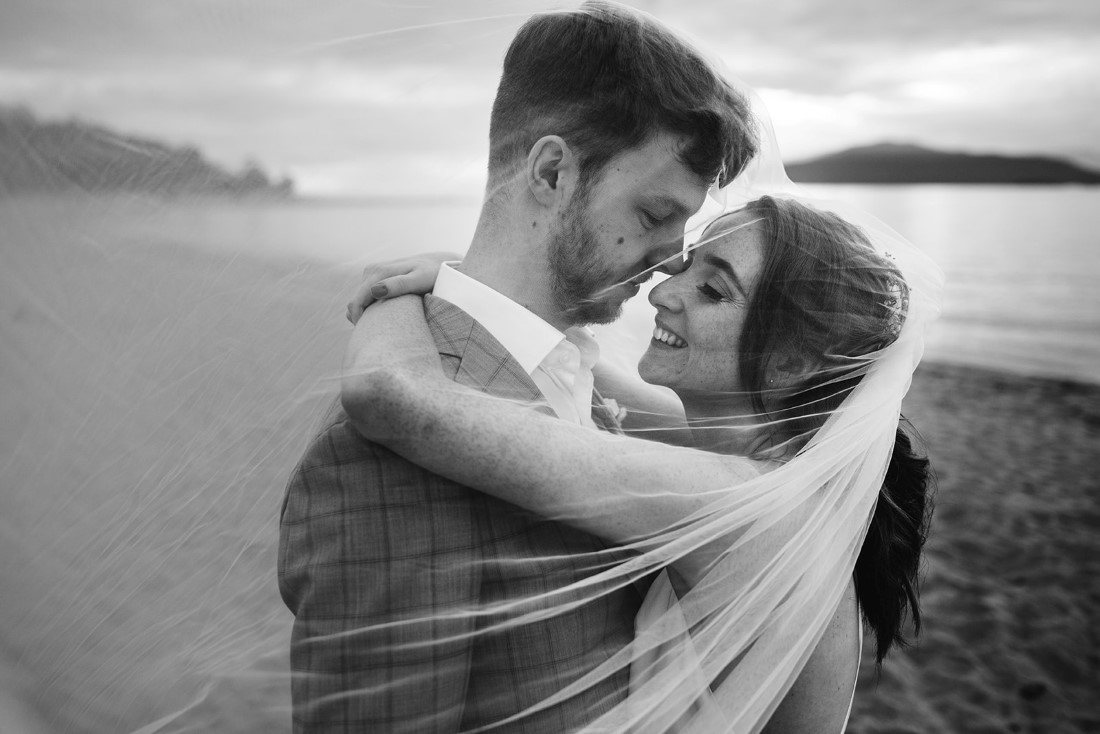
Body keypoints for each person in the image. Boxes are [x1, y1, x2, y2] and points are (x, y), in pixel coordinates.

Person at [277, 2, 758, 731]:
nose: (670, 258)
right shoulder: (385, 461)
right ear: (554, 171)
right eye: (656, 213)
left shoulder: (569, 373)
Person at [340, 194, 939, 732]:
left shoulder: (738, 508)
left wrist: (388, 300)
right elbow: (575, 361)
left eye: (712, 290)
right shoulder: (758, 461)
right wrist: (461, 281)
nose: (661, 292)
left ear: (790, 364)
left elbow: (390, 398)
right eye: (685, 267)